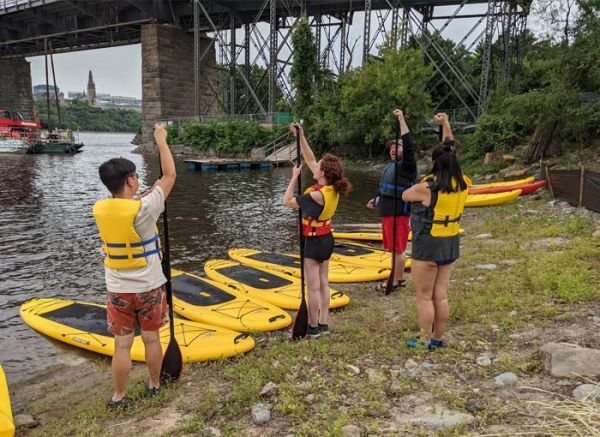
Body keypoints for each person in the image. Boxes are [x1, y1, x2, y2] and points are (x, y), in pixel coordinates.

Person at [92, 123, 176, 408]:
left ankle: (118, 397)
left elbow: (129, 207)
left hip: (117, 289)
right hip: (149, 287)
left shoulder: (102, 209)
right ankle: (154, 385)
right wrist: (161, 140)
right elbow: (169, 175)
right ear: (130, 181)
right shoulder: (146, 208)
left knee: (122, 345)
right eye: (135, 177)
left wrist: (148, 193)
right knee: (151, 340)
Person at [401, 113, 468, 349]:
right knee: (441, 294)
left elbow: (405, 195)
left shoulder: (426, 188)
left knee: (424, 296)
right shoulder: (463, 183)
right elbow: (450, 149)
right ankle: (438, 338)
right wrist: (445, 125)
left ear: (435, 163)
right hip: (450, 242)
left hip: (428, 245)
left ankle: (424, 340)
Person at [283, 123, 352, 338]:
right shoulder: (332, 187)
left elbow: (287, 202)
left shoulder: (317, 194)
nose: (314, 166)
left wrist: (294, 176)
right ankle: (324, 323)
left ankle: (312, 327)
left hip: (313, 242)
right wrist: (301, 136)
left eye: (318, 166)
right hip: (326, 239)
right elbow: (310, 158)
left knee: (312, 287)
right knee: (324, 283)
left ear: (321, 173)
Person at [367, 109, 417, 292]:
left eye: (397, 147)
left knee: (398, 249)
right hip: (388, 212)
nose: (393, 150)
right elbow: (383, 187)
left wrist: (402, 119)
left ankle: (394, 281)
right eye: (391, 148)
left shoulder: (408, 166)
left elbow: (409, 145)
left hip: (400, 213)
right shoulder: (391, 167)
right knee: (392, 249)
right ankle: (400, 278)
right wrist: (376, 199)